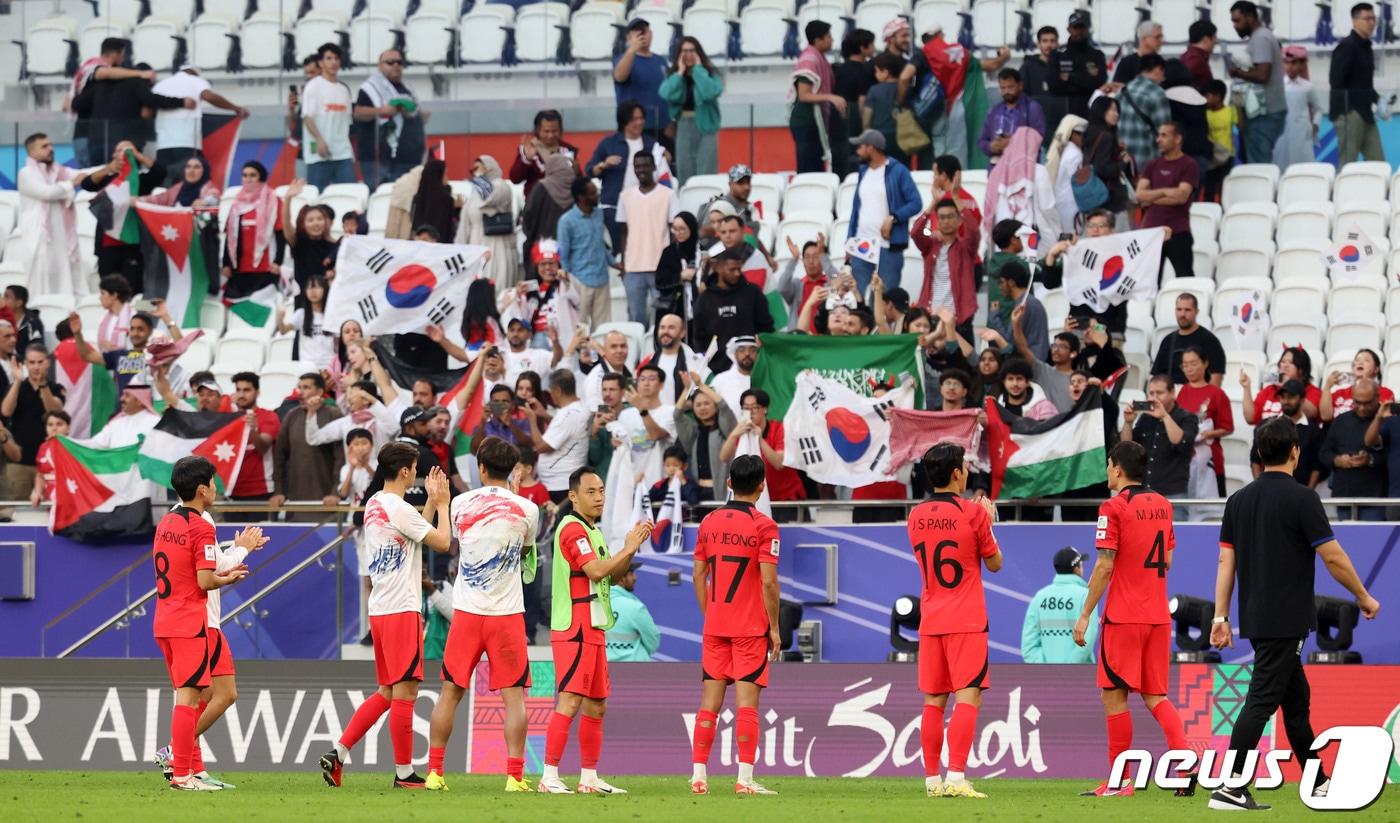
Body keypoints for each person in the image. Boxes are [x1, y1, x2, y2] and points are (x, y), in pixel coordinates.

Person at [1208, 416, 1380, 811]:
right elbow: (1333, 557)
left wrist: (1221, 618)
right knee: (1261, 701)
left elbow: (1225, 562)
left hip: (1256, 616)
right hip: (1287, 619)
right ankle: (1231, 787)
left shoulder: (1238, 500)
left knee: (1296, 705)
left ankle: (1319, 783)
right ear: (1296, 452)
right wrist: (1364, 597)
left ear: (1258, 453)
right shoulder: (1303, 498)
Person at [321, 444, 452, 790]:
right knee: (406, 692)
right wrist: (443, 504)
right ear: (407, 472)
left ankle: (339, 752)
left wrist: (427, 505)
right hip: (401, 608)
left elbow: (413, 533)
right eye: (415, 468)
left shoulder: (377, 503)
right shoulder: (399, 507)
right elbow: (441, 542)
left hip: (380, 609)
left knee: (387, 691)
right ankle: (405, 773)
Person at [1070, 441, 1194, 797]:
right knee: (1156, 695)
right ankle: (1185, 764)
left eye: (1109, 465)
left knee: (1113, 695)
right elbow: (1168, 560)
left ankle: (1120, 780)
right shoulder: (1163, 505)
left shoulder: (1112, 507)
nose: (1107, 471)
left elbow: (1105, 564)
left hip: (1124, 616)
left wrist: (1084, 614)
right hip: (1157, 615)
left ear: (1118, 469)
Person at [426, 437, 541, 792]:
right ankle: (514, 777)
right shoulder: (527, 509)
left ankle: (434, 774)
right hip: (506, 614)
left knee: (449, 692)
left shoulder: (460, 504)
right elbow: (523, 553)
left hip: (468, 612)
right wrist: (516, 494)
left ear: (481, 468)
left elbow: (453, 538)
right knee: (514, 698)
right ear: (513, 469)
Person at [538, 467, 653, 794]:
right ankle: (549, 776)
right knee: (571, 699)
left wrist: (635, 544)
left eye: (601, 490)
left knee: (597, 703)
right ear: (573, 496)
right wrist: (628, 548)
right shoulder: (572, 530)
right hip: (574, 626)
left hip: (595, 627)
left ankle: (588, 778)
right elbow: (596, 570)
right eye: (591, 491)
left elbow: (611, 577)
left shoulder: (593, 531)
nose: (599, 497)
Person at [151, 456, 262, 791]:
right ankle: (182, 770)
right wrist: (229, 574)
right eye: (213, 482)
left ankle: (189, 767)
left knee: (209, 693)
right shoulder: (202, 525)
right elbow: (204, 580)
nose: (216, 487)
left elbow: (191, 569)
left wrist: (228, 566)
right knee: (189, 698)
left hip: (168, 618)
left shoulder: (168, 521)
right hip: (192, 621)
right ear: (202, 489)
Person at [906, 442, 1001, 798]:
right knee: (968, 698)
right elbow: (994, 563)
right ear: (958, 473)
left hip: (931, 618)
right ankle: (957, 777)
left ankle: (932, 781)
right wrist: (989, 523)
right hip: (966, 619)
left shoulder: (915, 516)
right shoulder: (973, 514)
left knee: (933, 702)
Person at [688, 454, 781, 796]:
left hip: (716, 625)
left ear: (728, 484)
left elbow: (698, 574)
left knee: (709, 703)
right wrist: (774, 627)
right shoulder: (765, 527)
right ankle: (744, 779)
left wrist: (709, 613)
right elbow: (769, 583)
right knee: (746, 705)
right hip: (749, 628)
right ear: (762, 486)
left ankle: (698, 775)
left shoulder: (709, 522)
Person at [71, 54, 193, 167]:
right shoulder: (137, 82)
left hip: (97, 142)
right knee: (127, 184)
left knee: (98, 182)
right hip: (124, 144)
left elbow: (76, 104)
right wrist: (182, 102)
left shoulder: (102, 84)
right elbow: (151, 100)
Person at [15, 134, 95, 298]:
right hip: (39, 238)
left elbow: (83, 173)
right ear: (31, 151)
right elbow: (46, 192)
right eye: (44, 146)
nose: (51, 149)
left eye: (51, 145)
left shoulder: (59, 172)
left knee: (69, 279)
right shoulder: (26, 173)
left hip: (62, 239)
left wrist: (111, 167)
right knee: (40, 283)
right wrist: (71, 184)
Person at [846, 129, 921, 300]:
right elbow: (856, 209)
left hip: (888, 246)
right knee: (857, 298)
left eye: (860, 147)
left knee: (884, 300)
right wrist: (849, 240)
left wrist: (893, 217)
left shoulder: (898, 171)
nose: (857, 151)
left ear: (871, 148)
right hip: (861, 243)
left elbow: (915, 203)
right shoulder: (863, 172)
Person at [588, 101, 670, 251]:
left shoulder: (651, 144)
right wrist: (603, 164)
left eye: (641, 118)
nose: (639, 122)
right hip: (614, 205)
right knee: (619, 247)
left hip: (644, 205)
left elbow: (663, 167)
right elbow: (589, 170)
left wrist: (665, 157)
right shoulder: (609, 143)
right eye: (634, 119)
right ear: (624, 122)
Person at [150, 65, 248, 182]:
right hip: (187, 142)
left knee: (166, 180)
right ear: (196, 74)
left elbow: (148, 112)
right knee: (195, 179)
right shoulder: (195, 81)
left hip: (163, 144)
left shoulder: (160, 85)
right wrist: (235, 108)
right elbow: (209, 96)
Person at [617, 152, 681, 325]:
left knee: (663, 318)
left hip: (661, 268)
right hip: (633, 268)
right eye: (637, 166)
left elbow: (675, 231)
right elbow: (623, 232)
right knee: (636, 318)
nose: (641, 170)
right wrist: (624, 262)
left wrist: (672, 263)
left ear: (653, 167)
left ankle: (659, 352)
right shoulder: (625, 196)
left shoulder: (668, 195)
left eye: (645, 165)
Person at [720, 389, 805, 518]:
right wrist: (734, 435)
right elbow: (723, 457)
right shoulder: (741, 431)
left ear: (765, 409)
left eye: (755, 408)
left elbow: (779, 463)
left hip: (785, 500)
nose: (750, 413)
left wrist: (760, 439)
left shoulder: (779, 428)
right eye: (746, 408)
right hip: (755, 502)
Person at [693, 246, 775, 374]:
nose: (737, 273)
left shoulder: (753, 293)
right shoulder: (705, 299)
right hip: (716, 371)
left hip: (751, 368)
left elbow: (767, 328)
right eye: (732, 270)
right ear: (718, 268)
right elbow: (699, 338)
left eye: (739, 269)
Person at [270, 373, 344, 512]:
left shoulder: (334, 415)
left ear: (320, 391)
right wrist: (279, 491)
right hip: (295, 496)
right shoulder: (292, 416)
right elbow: (280, 455)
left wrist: (335, 492)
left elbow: (341, 458)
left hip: (328, 498)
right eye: (299, 387)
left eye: (306, 387)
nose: (300, 392)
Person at [1, 344, 66, 502]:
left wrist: (43, 385)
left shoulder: (56, 388)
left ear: (48, 362)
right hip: (19, 464)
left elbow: (54, 410)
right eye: (31, 362)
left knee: (49, 512)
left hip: (49, 466)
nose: (36, 367)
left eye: (40, 362)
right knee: (17, 514)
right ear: (25, 364)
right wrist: (17, 381)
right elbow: (6, 411)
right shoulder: (16, 388)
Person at [353, 48, 425, 188]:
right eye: (390, 62)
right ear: (380, 65)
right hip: (380, 159)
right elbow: (357, 113)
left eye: (399, 62)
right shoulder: (370, 88)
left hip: (409, 156)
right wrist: (382, 110)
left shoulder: (407, 87)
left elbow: (417, 114)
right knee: (384, 197)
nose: (396, 66)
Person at [911, 199, 980, 342]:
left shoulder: (966, 248)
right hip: (932, 317)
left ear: (959, 220)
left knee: (961, 362)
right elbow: (916, 232)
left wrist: (957, 199)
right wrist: (933, 204)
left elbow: (973, 231)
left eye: (950, 216)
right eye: (942, 217)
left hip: (958, 319)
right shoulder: (930, 246)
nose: (946, 221)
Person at [1318, 378, 1387, 520]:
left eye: (1366, 403)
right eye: (1357, 402)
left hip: (1375, 498)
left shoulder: (1388, 420)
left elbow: (1394, 457)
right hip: (1344, 496)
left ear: (1377, 398)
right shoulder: (1341, 421)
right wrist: (1337, 460)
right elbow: (1324, 453)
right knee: (1345, 542)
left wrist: (1371, 460)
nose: (1361, 407)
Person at [1228, 1, 1287, 164]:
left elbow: (1262, 75)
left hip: (1264, 114)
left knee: (1259, 166)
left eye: (1237, 20)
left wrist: (1237, 72)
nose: (1235, 25)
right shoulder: (1260, 37)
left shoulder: (1261, 38)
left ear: (1250, 17)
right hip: (1262, 112)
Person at [1137, 122, 1198, 280]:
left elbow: (1181, 196)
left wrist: (1152, 198)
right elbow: (1139, 195)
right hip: (1151, 232)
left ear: (1177, 139)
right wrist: (1165, 191)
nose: (1158, 139)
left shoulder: (1189, 165)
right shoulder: (1152, 164)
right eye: (1158, 135)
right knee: (1149, 282)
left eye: (1164, 135)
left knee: (1185, 280)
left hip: (1177, 231)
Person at [659, 37, 722, 185]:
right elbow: (665, 93)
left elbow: (710, 92)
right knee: (685, 171)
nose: (688, 55)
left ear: (698, 53)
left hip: (706, 127)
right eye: (684, 51)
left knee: (706, 172)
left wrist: (698, 71)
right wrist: (680, 73)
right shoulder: (675, 75)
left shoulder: (708, 73)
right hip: (683, 126)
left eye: (692, 51)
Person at [1122, 375, 1198, 498]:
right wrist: (1128, 422)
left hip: (1173, 492)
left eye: (1160, 393)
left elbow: (1180, 442)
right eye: (1151, 393)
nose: (1154, 398)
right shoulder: (1146, 418)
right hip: (1144, 491)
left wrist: (1164, 416)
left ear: (1172, 393)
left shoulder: (1187, 417)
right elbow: (1127, 448)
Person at [524, 370, 590, 504]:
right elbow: (566, 431)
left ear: (558, 391)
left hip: (560, 485)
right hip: (564, 482)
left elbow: (541, 447)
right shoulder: (580, 408)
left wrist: (532, 419)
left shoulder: (569, 414)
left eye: (551, 391)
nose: (551, 395)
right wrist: (544, 415)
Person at [790, 21, 846, 174]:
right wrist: (831, 97)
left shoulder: (820, 58)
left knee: (816, 165)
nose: (832, 40)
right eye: (828, 36)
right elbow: (804, 95)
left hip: (815, 121)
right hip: (806, 120)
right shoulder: (809, 59)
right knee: (808, 167)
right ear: (817, 40)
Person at [1331, 4, 1384, 166]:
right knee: (1348, 164)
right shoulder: (1346, 46)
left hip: (1366, 113)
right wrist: (1348, 111)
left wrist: (1379, 100)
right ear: (1354, 21)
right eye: (1367, 19)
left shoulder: (1367, 47)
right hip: (1349, 113)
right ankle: (1343, 192)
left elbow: (1365, 83)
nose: (1371, 23)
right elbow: (1336, 82)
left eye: (1373, 19)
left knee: (1379, 163)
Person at [1177, 348, 1234, 499]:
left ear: (1205, 363)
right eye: (1185, 365)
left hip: (1211, 460)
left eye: (1193, 363)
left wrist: (1207, 434)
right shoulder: (1182, 391)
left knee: (1213, 509)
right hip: (1186, 460)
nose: (1189, 369)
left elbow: (1228, 427)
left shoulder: (1217, 394)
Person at [1021, 547, 1096, 664]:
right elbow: (1087, 639)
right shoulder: (1086, 596)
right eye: (1081, 565)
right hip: (1080, 676)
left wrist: (1047, 670)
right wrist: (1068, 669)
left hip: (1046, 678)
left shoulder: (1039, 597)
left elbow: (1028, 646)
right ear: (1076, 569)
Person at [557, 177, 613, 330]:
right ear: (581, 197)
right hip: (580, 282)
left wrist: (614, 263)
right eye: (593, 193)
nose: (597, 196)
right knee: (580, 329)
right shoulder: (566, 221)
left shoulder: (599, 215)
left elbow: (600, 244)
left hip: (602, 278)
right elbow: (563, 253)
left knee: (604, 328)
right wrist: (569, 281)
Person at [222, 161, 282, 301]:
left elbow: (280, 234)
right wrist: (226, 263)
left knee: (262, 308)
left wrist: (277, 262)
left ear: (261, 177)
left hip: (265, 267)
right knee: (238, 307)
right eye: (245, 175)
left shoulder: (273, 200)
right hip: (239, 268)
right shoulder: (237, 203)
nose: (248, 179)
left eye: (252, 175)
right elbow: (229, 236)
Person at [455, 155, 518, 287]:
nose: (475, 172)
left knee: (495, 283)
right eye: (473, 170)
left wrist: (482, 182)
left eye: (478, 168)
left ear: (489, 167)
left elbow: (491, 203)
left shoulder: (501, 185)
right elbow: (464, 225)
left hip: (496, 244)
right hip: (475, 244)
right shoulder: (474, 195)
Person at [301, 43, 356, 188]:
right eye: (329, 58)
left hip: (343, 153)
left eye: (336, 58)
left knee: (347, 196)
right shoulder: (313, 86)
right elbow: (307, 117)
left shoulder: (344, 89)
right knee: (317, 199)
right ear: (321, 62)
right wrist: (319, 140)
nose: (333, 62)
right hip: (319, 155)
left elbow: (347, 122)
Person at [1251, 380, 1324, 486]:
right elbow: (1255, 459)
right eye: (1282, 397)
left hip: (1300, 492)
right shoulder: (1265, 426)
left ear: (1302, 400)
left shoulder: (1314, 431)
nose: (1286, 401)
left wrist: (1308, 492)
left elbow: (1316, 467)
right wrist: (1259, 487)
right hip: (1269, 489)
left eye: (1291, 397)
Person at [613, 18, 670, 142]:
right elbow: (619, 76)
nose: (642, 35)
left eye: (645, 31)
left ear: (651, 34)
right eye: (637, 32)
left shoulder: (660, 61)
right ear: (628, 37)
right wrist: (632, 49)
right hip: (634, 127)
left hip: (663, 126)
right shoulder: (623, 59)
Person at [1150, 294, 1226, 387]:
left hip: (1198, 398)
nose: (1182, 314)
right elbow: (1157, 377)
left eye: (1187, 310)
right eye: (1179, 309)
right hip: (1170, 398)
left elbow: (1216, 378)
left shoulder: (1210, 340)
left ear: (1196, 312)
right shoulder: (1168, 340)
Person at [978, 69, 1047, 167]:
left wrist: (1012, 142)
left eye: (1010, 87)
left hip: (1024, 169)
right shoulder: (994, 111)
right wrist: (991, 146)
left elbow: (1039, 137)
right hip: (997, 168)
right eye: (1003, 88)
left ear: (1020, 86)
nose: (1006, 91)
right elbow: (982, 140)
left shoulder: (1032, 108)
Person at [521, 155, 576, 278]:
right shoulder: (575, 187)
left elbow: (528, 214)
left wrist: (531, 234)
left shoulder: (542, 187)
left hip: (542, 246)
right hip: (569, 247)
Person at [1049, 11, 1109, 119]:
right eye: (1075, 28)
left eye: (1082, 28)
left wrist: (1070, 77)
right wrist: (1086, 81)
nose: (1079, 32)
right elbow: (1054, 86)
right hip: (1064, 113)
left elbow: (1100, 81)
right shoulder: (1057, 55)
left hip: (1090, 113)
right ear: (1069, 29)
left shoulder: (1097, 55)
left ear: (1087, 29)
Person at [835, 28, 878, 175]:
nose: (875, 48)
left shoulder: (839, 69)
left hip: (839, 117)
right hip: (855, 116)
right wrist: (866, 126)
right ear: (863, 47)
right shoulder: (866, 70)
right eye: (872, 44)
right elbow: (862, 100)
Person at [1118, 54, 1171, 173]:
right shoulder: (1157, 93)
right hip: (1147, 159)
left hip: (1123, 160)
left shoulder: (1123, 90)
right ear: (1158, 69)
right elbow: (1165, 130)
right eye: (1163, 73)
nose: (1163, 79)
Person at [1080, 97, 1130, 225]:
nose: (1116, 114)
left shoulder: (1089, 132)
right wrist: (1123, 162)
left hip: (1092, 195)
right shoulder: (1106, 136)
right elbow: (1102, 168)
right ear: (1101, 111)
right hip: (1109, 197)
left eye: (1117, 110)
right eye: (1112, 110)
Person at [1241, 346, 1321, 425]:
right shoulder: (1270, 390)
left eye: (1291, 362)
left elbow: (1311, 414)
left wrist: (1290, 386)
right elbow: (1250, 418)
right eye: (1283, 362)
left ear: (1302, 369)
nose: (1285, 365)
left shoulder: (1312, 391)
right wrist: (1246, 387)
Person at [511, 110, 580, 198]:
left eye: (554, 131)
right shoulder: (528, 149)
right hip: (538, 204)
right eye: (546, 131)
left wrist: (576, 170)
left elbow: (578, 181)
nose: (550, 135)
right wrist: (526, 159)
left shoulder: (568, 150)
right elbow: (515, 179)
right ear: (537, 130)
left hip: (565, 202)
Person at [607, 559, 661, 663]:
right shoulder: (636, 608)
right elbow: (654, 642)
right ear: (621, 579)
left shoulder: (598, 606)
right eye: (631, 574)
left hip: (605, 671)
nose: (635, 578)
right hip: (636, 671)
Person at [1321, 349, 1393, 421]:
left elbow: (1377, 415)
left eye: (1366, 360)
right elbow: (1325, 417)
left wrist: (1365, 382)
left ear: (1376, 369)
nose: (1360, 362)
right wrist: (1327, 387)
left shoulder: (1384, 392)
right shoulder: (1339, 393)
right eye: (1357, 360)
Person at [1046, 117, 1089, 233]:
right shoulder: (1075, 153)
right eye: (1080, 134)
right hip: (1071, 204)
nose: (1083, 138)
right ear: (1072, 134)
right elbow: (1078, 180)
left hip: (1063, 202)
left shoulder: (1066, 150)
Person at [1022, 27, 1066, 134]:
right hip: (1036, 125)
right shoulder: (1028, 67)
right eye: (1045, 41)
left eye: (1052, 41)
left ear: (1057, 43)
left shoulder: (1065, 65)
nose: (1049, 45)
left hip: (1062, 124)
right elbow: (1022, 94)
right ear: (1038, 44)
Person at [409, 158, 458, 245]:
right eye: (445, 174)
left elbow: (413, 224)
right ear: (438, 175)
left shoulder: (418, 198)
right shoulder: (446, 200)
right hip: (441, 249)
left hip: (419, 247)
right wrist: (457, 209)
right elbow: (449, 229)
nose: (447, 178)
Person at [1203, 80, 1237, 201]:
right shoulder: (1204, 113)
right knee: (1209, 188)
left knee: (1225, 188)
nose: (1205, 99)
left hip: (1227, 154)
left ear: (1218, 97)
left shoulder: (1230, 111)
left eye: (1207, 96)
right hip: (1211, 155)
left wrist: (1237, 106)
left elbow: (1240, 127)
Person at [710, 336, 757, 418]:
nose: (747, 354)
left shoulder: (767, 379)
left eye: (752, 350)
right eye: (742, 350)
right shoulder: (720, 380)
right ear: (735, 354)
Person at [1111, 21, 1164, 85]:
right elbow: (1117, 87)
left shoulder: (1161, 62)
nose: (1161, 41)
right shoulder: (1127, 63)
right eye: (1157, 37)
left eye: (1161, 37)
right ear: (1144, 38)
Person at [1181, 21, 1217, 90]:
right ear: (1206, 39)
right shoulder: (1195, 60)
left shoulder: (1187, 56)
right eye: (1214, 37)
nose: (1215, 41)